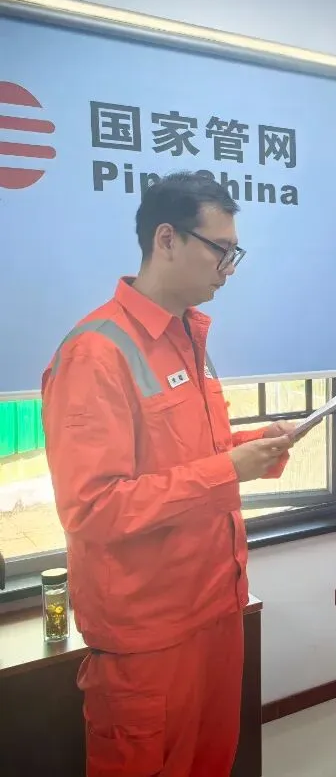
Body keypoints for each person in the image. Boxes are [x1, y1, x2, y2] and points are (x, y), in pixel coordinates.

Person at [42, 172, 302, 777]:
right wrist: (226, 470)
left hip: (216, 610)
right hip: (148, 638)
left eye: (234, 252)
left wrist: (251, 448)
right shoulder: (96, 351)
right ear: (166, 239)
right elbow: (93, 507)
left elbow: (188, 455)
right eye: (220, 250)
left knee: (213, 763)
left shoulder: (189, 336)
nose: (228, 268)